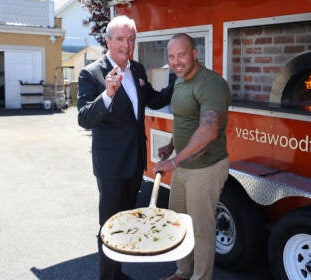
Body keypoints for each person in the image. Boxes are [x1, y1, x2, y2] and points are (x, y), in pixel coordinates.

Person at [77, 15, 173, 280]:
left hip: (135, 162)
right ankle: (108, 277)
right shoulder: (92, 73)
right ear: (108, 41)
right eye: (120, 39)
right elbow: (84, 118)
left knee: (127, 222)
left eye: (131, 39)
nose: (126, 44)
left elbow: (154, 99)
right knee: (109, 225)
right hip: (110, 165)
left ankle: (117, 272)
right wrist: (107, 94)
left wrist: (179, 78)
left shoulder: (138, 70)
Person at [153, 33, 231, 280]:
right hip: (184, 166)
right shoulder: (180, 81)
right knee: (178, 223)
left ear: (194, 54)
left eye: (182, 55)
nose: (176, 61)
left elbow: (208, 130)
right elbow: (186, 121)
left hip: (205, 168)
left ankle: (200, 277)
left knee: (201, 229)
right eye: (172, 56)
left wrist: (174, 161)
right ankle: (183, 271)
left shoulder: (211, 84)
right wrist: (170, 146)